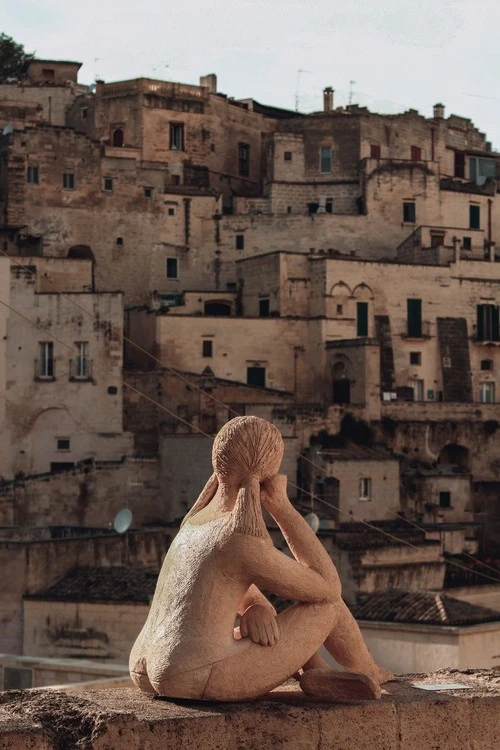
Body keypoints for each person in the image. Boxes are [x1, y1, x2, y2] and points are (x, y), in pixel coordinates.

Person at [130, 416, 391, 701]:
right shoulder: (240, 537)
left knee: (271, 625)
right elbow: (328, 587)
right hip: (198, 673)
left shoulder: (193, 521)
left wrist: (255, 605)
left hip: (144, 664)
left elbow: (217, 584)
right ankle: (368, 670)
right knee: (327, 606)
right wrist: (282, 506)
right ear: (270, 472)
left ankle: (318, 672)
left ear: (219, 463)